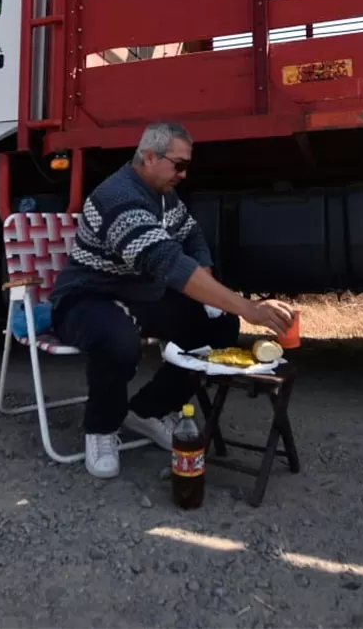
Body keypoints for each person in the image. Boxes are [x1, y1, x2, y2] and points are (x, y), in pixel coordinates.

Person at [50, 121, 294, 478]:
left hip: (137, 297)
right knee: (118, 341)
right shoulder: (119, 198)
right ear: (149, 157)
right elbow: (167, 261)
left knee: (219, 324)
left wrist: (210, 283)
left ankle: (148, 410)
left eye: (186, 165)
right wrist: (250, 307)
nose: (183, 174)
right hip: (86, 298)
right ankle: (101, 428)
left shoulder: (164, 196)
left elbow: (191, 236)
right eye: (178, 165)